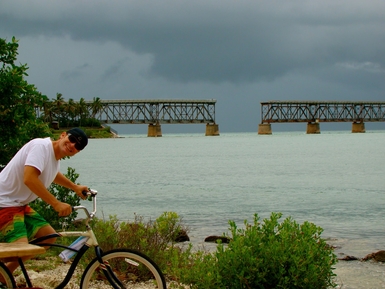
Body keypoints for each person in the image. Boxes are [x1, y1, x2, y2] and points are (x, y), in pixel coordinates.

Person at [0, 127, 89, 274]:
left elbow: (52, 174)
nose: (73, 145)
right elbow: (29, 178)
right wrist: (56, 203)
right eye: (72, 139)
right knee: (20, 249)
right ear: (62, 135)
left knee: (48, 236)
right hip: (4, 203)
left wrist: (74, 187)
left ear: (77, 152)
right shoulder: (41, 146)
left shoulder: (53, 159)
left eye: (78, 147)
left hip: (19, 205)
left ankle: (4, 276)